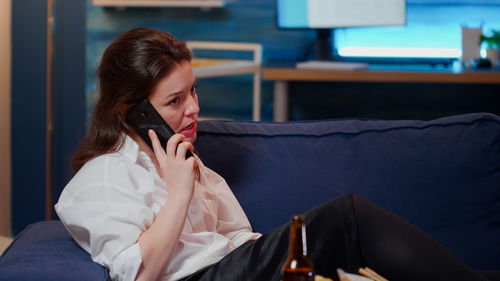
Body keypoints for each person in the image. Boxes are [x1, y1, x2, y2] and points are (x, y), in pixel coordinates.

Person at [55, 27, 494, 281]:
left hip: (236, 266)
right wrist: (178, 193)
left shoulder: (182, 157)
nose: (194, 109)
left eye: (193, 91)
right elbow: (137, 274)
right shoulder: (104, 176)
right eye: (175, 101)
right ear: (134, 111)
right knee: (348, 217)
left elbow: (239, 235)